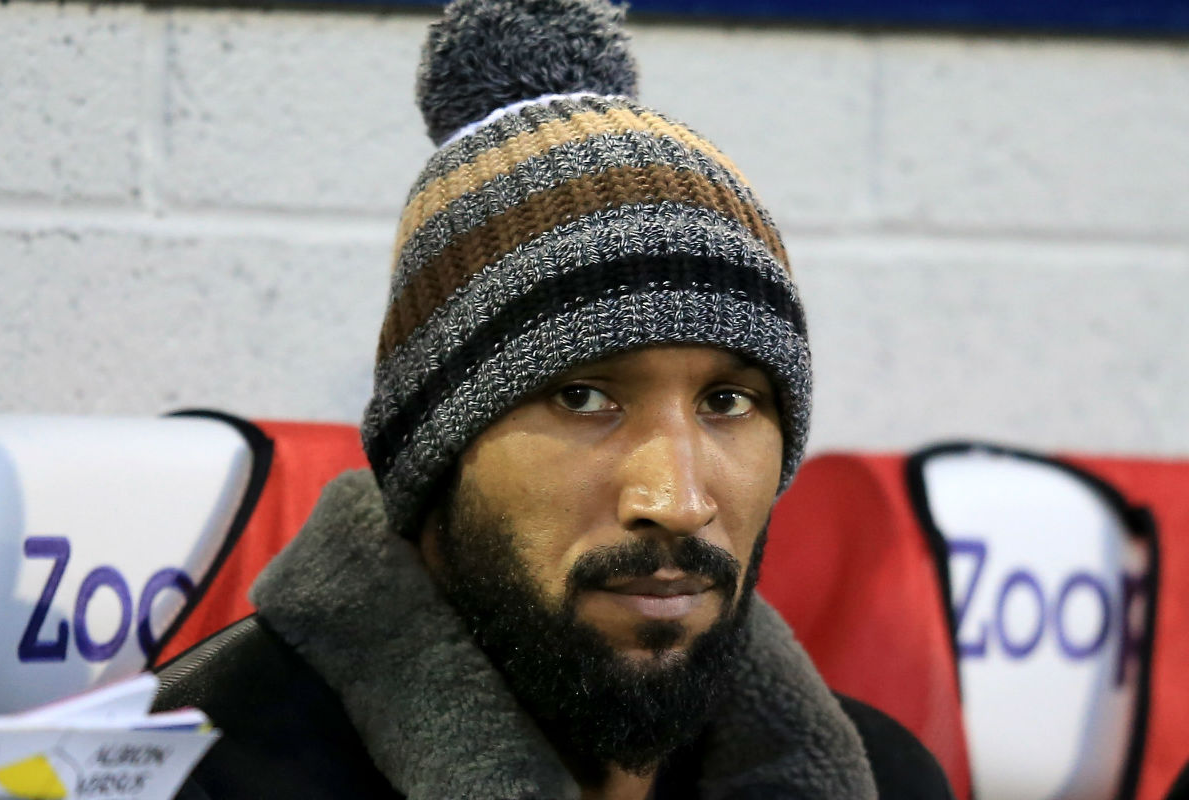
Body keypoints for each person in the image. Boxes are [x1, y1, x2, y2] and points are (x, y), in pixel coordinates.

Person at [156, 0, 955, 797]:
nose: (676, 501)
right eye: (582, 396)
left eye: (728, 402)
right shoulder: (195, 774)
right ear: (431, 453)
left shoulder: (884, 777)